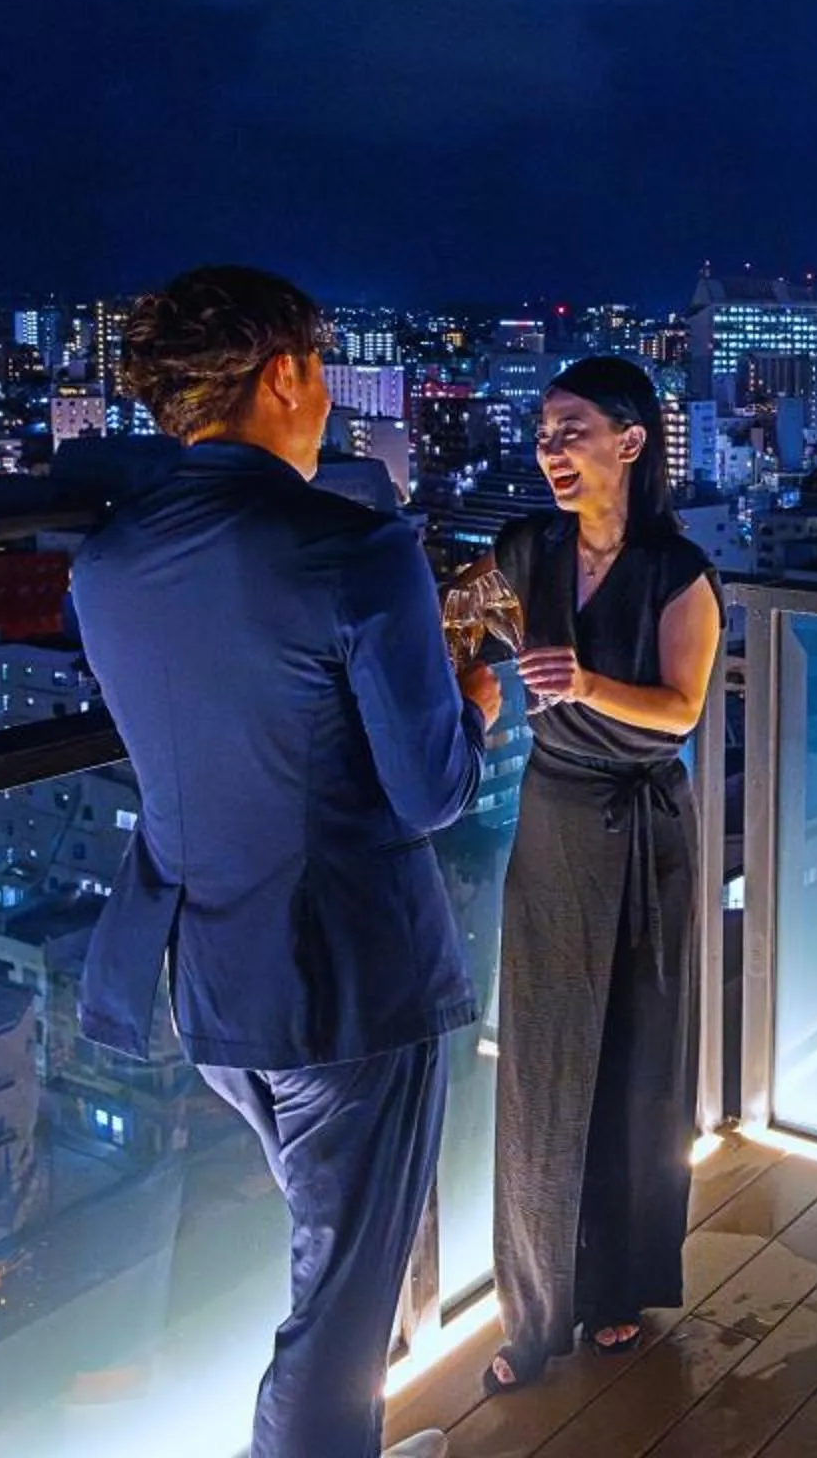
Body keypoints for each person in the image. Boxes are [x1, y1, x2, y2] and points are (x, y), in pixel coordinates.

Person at [74, 265, 497, 1458]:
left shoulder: (105, 563)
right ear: (287, 374)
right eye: (323, 371)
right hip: (350, 980)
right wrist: (469, 706)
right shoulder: (353, 549)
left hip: (209, 978)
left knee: (329, 1262)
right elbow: (431, 793)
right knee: (339, 1305)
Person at [479, 356, 722, 1391]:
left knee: (633, 1059)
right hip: (554, 816)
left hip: (644, 822)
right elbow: (459, 622)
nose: (550, 446)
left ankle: (616, 1286)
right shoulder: (523, 548)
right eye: (543, 428)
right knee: (539, 1059)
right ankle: (532, 1303)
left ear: (631, 440)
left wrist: (581, 679)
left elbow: (682, 708)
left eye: (571, 426)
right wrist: (464, 681)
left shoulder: (679, 569)